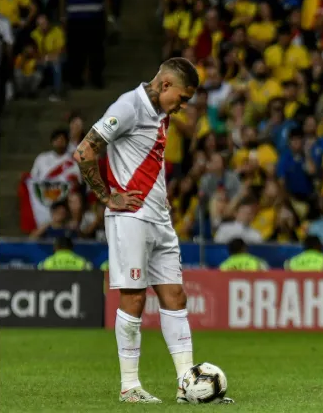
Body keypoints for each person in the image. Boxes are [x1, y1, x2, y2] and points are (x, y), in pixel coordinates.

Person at [73, 58, 233, 404]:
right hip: (131, 217)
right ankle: (130, 387)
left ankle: (186, 385)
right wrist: (106, 196)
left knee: (175, 296)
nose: (184, 105)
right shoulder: (128, 107)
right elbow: (85, 150)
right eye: (183, 97)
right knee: (134, 297)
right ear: (164, 86)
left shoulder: (162, 112)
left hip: (160, 217)